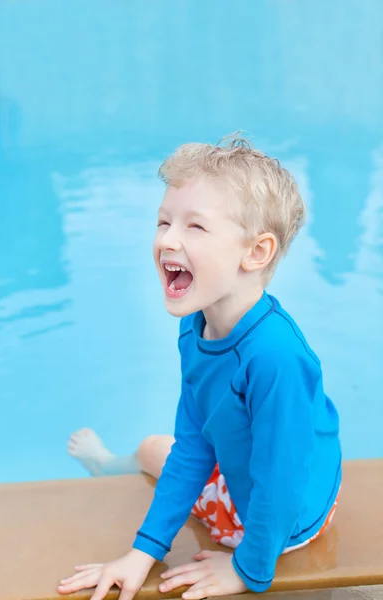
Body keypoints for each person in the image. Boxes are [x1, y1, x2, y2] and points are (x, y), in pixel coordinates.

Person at [58, 134, 341, 600]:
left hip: (282, 520)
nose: (166, 239)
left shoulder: (274, 356)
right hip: (271, 477)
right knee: (174, 449)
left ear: (256, 252)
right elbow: (194, 443)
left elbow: (281, 479)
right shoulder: (197, 324)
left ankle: (107, 464)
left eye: (195, 227)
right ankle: (114, 463)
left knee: (153, 449)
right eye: (164, 221)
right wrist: (142, 551)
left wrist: (247, 568)